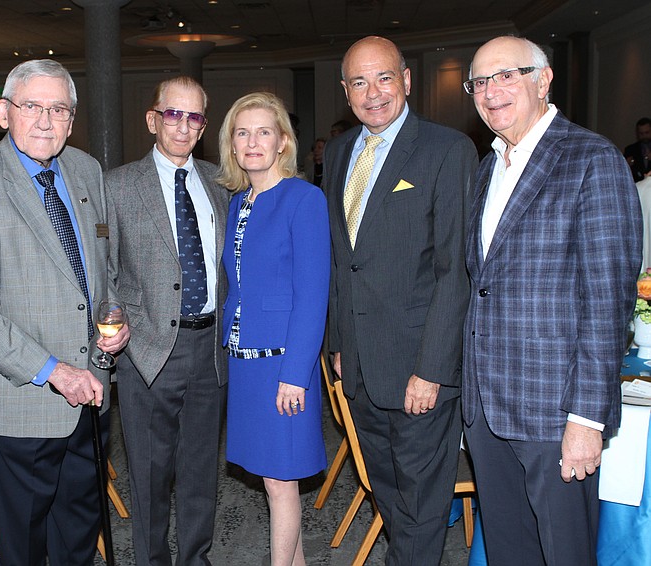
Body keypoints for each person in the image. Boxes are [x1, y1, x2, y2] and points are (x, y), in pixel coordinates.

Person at [463, 36, 642, 565]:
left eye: (506, 76)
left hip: (555, 414)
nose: (491, 92)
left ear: (543, 80)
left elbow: (608, 303)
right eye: (479, 82)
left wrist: (586, 419)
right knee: (510, 554)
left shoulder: (592, 159)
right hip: (488, 410)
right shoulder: (487, 167)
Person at [0, 59, 129, 566]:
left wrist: (115, 321)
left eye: (59, 109)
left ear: (73, 119)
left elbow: (102, 273)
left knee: (77, 540)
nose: (46, 121)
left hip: (91, 399)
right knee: (22, 550)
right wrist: (55, 372)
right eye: (32, 106)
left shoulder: (87, 170)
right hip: (19, 409)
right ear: (5, 113)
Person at [325, 36, 477, 564]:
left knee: (419, 505)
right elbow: (344, 261)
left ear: (407, 80)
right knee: (387, 494)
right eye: (359, 82)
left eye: (384, 78)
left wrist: (432, 368)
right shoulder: (341, 152)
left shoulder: (448, 149)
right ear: (345, 92)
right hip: (362, 366)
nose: (373, 93)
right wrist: (341, 345)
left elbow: (455, 270)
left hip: (418, 369)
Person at [104, 76, 228, 566]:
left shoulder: (222, 183)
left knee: (201, 471)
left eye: (194, 116)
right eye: (172, 114)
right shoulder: (117, 185)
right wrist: (121, 332)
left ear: (203, 125)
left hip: (210, 349)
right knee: (149, 473)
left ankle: (195, 558)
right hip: (148, 350)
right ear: (153, 119)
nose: (183, 125)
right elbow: (104, 272)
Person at [218, 91, 330, 566]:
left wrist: (295, 373)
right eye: (242, 133)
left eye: (264, 131)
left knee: (282, 484)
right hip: (244, 363)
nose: (252, 141)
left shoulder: (304, 199)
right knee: (272, 481)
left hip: (283, 364)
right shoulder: (238, 201)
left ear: (283, 140)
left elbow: (313, 295)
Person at [625, 116, 651, 182]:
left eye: (647, 133)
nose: (644, 136)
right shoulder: (630, 150)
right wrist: (626, 164)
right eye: (641, 133)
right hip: (636, 187)